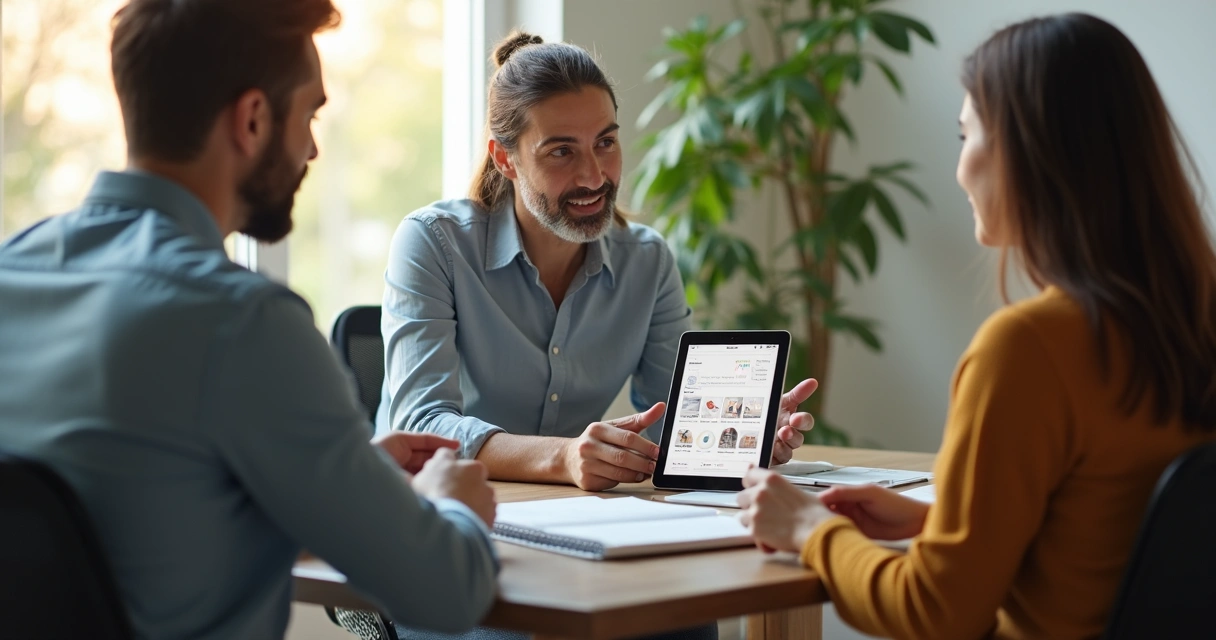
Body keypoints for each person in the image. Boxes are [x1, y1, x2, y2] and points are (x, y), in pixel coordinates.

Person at [0, 1, 500, 638]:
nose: (313, 147)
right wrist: (451, 504)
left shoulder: (13, 272)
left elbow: (133, 525)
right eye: (310, 114)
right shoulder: (242, 323)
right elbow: (447, 593)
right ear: (253, 119)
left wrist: (346, 477)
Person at [736, 13, 1216, 640]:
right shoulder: (1193, 322)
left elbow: (936, 613)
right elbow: (1113, 537)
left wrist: (811, 530)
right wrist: (935, 524)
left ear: (1025, 151)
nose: (960, 168)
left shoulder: (1029, 348)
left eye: (967, 136)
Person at [377, 31, 819, 494]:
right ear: (505, 158)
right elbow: (422, 427)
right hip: (431, 506)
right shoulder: (433, 243)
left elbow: (673, 421)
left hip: (571, 511)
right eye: (561, 151)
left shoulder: (647, 261)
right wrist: (563, 457)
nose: (593, 176)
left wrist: (738, 438)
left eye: (605, 142)